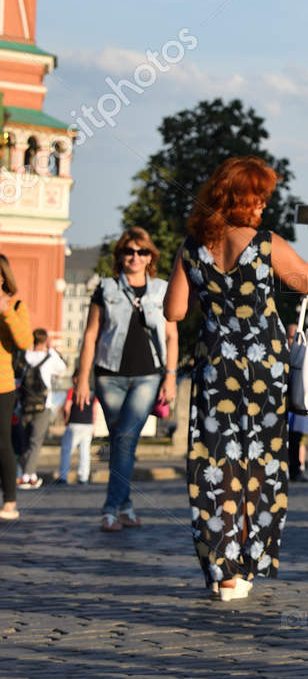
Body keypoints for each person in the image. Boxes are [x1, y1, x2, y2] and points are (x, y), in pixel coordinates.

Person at [164, 156, 308, 601]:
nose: (263, 204)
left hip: (215, 365)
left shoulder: (192, 246)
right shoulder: (266, 243)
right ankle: (246, 562)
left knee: (216, 464)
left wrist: (213, 297)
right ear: (242, 198)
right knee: (258, 463)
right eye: (259, 197)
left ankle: (223, 571)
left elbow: (174, 311)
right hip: (263, 368)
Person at [73, 227, 178, 532]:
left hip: (148, 376)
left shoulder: (161, 290)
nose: (135, 256)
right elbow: (91, 335)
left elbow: (171, 336)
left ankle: (109, 509)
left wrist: (170, 376)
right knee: (123, 442)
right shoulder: (105, 289)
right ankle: (126, 505)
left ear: (150, 257)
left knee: (124, 439)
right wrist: (82, 378)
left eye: (141, 251)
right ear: (120, 256)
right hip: (109, 376)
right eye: (129, 251)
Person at [0, 255, 32, 520]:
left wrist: (5, 311)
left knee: (2, 443)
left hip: (2, 385)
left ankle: (9, 500)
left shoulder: (15, 306)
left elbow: (24, 342)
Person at [15, 329, 67, 488]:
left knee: (23, 442)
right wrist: (51, 349)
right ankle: (26, 477)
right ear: (45, 341)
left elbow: (16, 377)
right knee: (35, 442)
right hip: (43, 405)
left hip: (23, 405)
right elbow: (62, 368)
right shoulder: (50, 357)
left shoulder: (24, 356)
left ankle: (30, 474)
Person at [56, 393, 95, 485]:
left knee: (67, 451)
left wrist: (66, 419)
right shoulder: (92, 392)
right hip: (88, 424)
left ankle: (63, 476)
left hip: (74, 423)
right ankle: (84, 477)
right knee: (85, 453)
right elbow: (95, 409)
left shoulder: (72, 390)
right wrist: (94, 426)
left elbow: (67, 407)